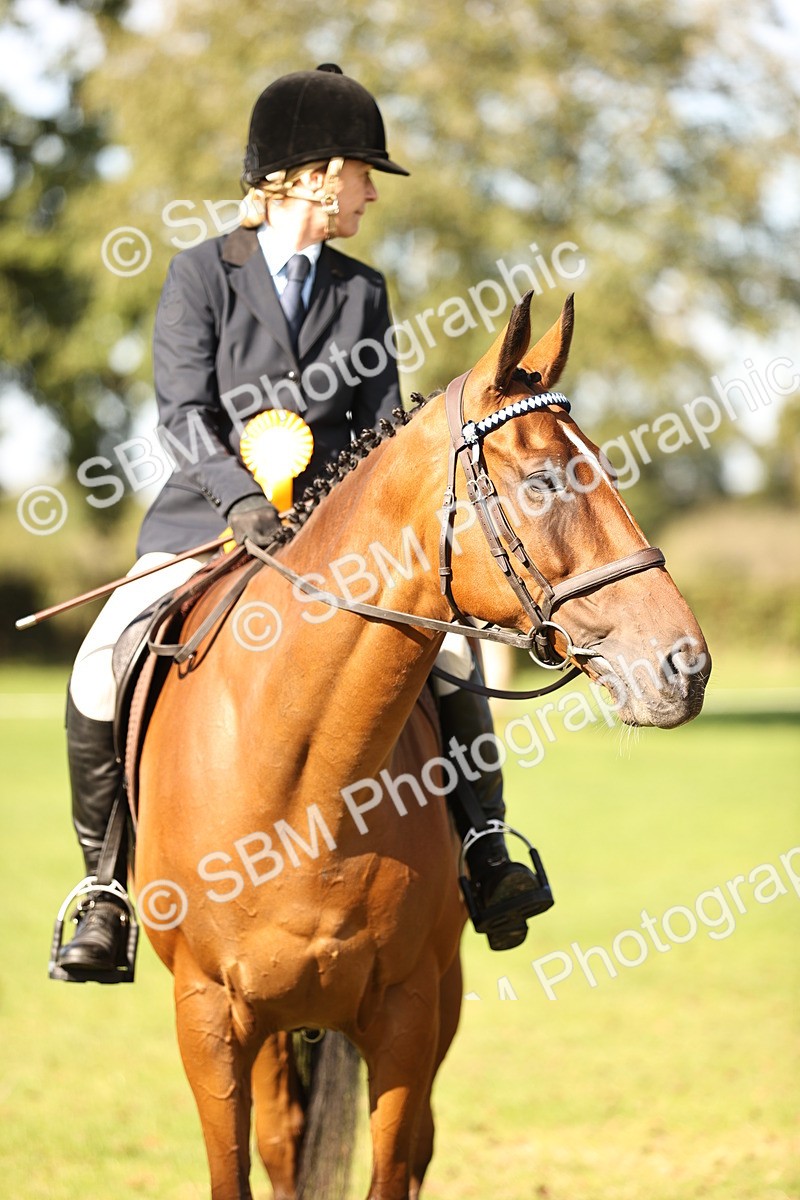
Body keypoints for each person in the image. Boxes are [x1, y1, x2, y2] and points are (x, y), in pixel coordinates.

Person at [55, 64, 546, 978]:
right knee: (100, 662)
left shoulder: (362, 291)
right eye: (363, 174)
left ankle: (486, 847)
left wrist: (338, 523)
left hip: (332, 543)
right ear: (316, 175)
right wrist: (243, 504)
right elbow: (183, 416)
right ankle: (106, 890)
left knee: (449, 655)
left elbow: (380, 433)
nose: (370, 193)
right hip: (204, 526)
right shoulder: (201, 274)